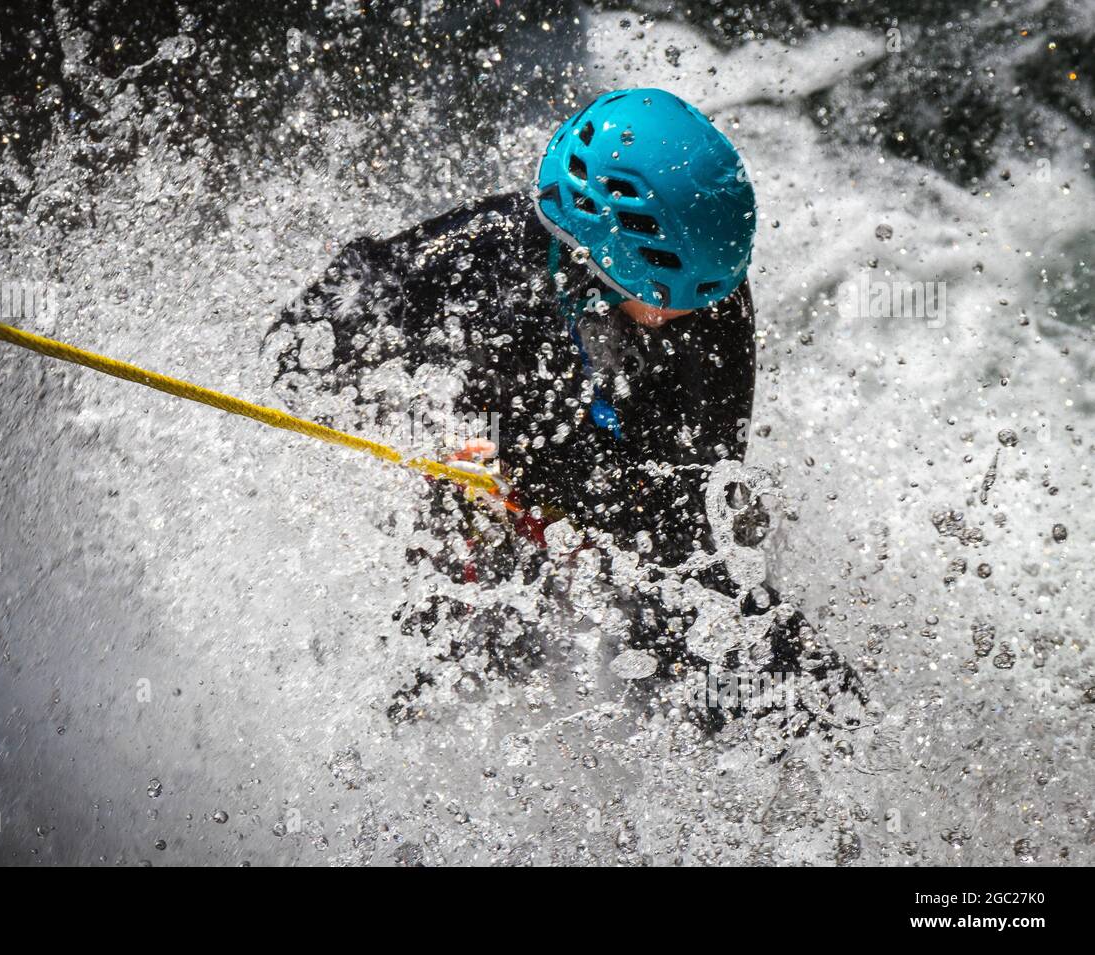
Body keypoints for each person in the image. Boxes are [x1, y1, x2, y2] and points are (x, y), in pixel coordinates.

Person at [266, 88, 858, 730]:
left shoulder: (709, 313)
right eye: (665, 297)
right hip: (477, 464)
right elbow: (298, 349)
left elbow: (681, 509)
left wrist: (539, 481)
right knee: (462, 646)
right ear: (600, 254)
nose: (684, 318)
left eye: (702, 298)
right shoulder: (485, 253)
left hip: (575, 475)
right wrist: (420, 426)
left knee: (700, 608)